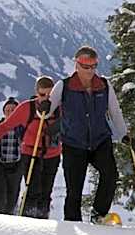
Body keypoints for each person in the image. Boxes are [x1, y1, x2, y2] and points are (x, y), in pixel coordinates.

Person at [48, 47, 127, 223]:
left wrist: (123, 134)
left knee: (110, 175)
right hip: (74, 143)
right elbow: (46, 111)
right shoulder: (64, 86)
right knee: (74, 189)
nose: (90, 71)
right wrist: (43, 109)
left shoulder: (104, 86)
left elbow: (115, 111)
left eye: (93, 66)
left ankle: (99, 214)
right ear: (77, 64)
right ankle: (72, 223)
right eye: (86, 66)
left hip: (100, 140)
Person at [0, 80, 62, 218]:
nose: (46, 97)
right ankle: (28, 217)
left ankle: (43, 217)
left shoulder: (59, 107)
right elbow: (5, 126)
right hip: (30, 152)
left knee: (46, 190)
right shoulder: (27, 108)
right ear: (36, 93)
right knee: (32, 188)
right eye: (42, 94)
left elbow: (74, 122)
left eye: (49, 94)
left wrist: (58, 126)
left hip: (52, 153)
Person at [0, 99, 24, 215]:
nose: (10, 112)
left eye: (13, 110)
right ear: (4, 112)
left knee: (12, 200)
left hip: (16, 166)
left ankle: (8, 225)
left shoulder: (22, 127)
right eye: (7, 110)